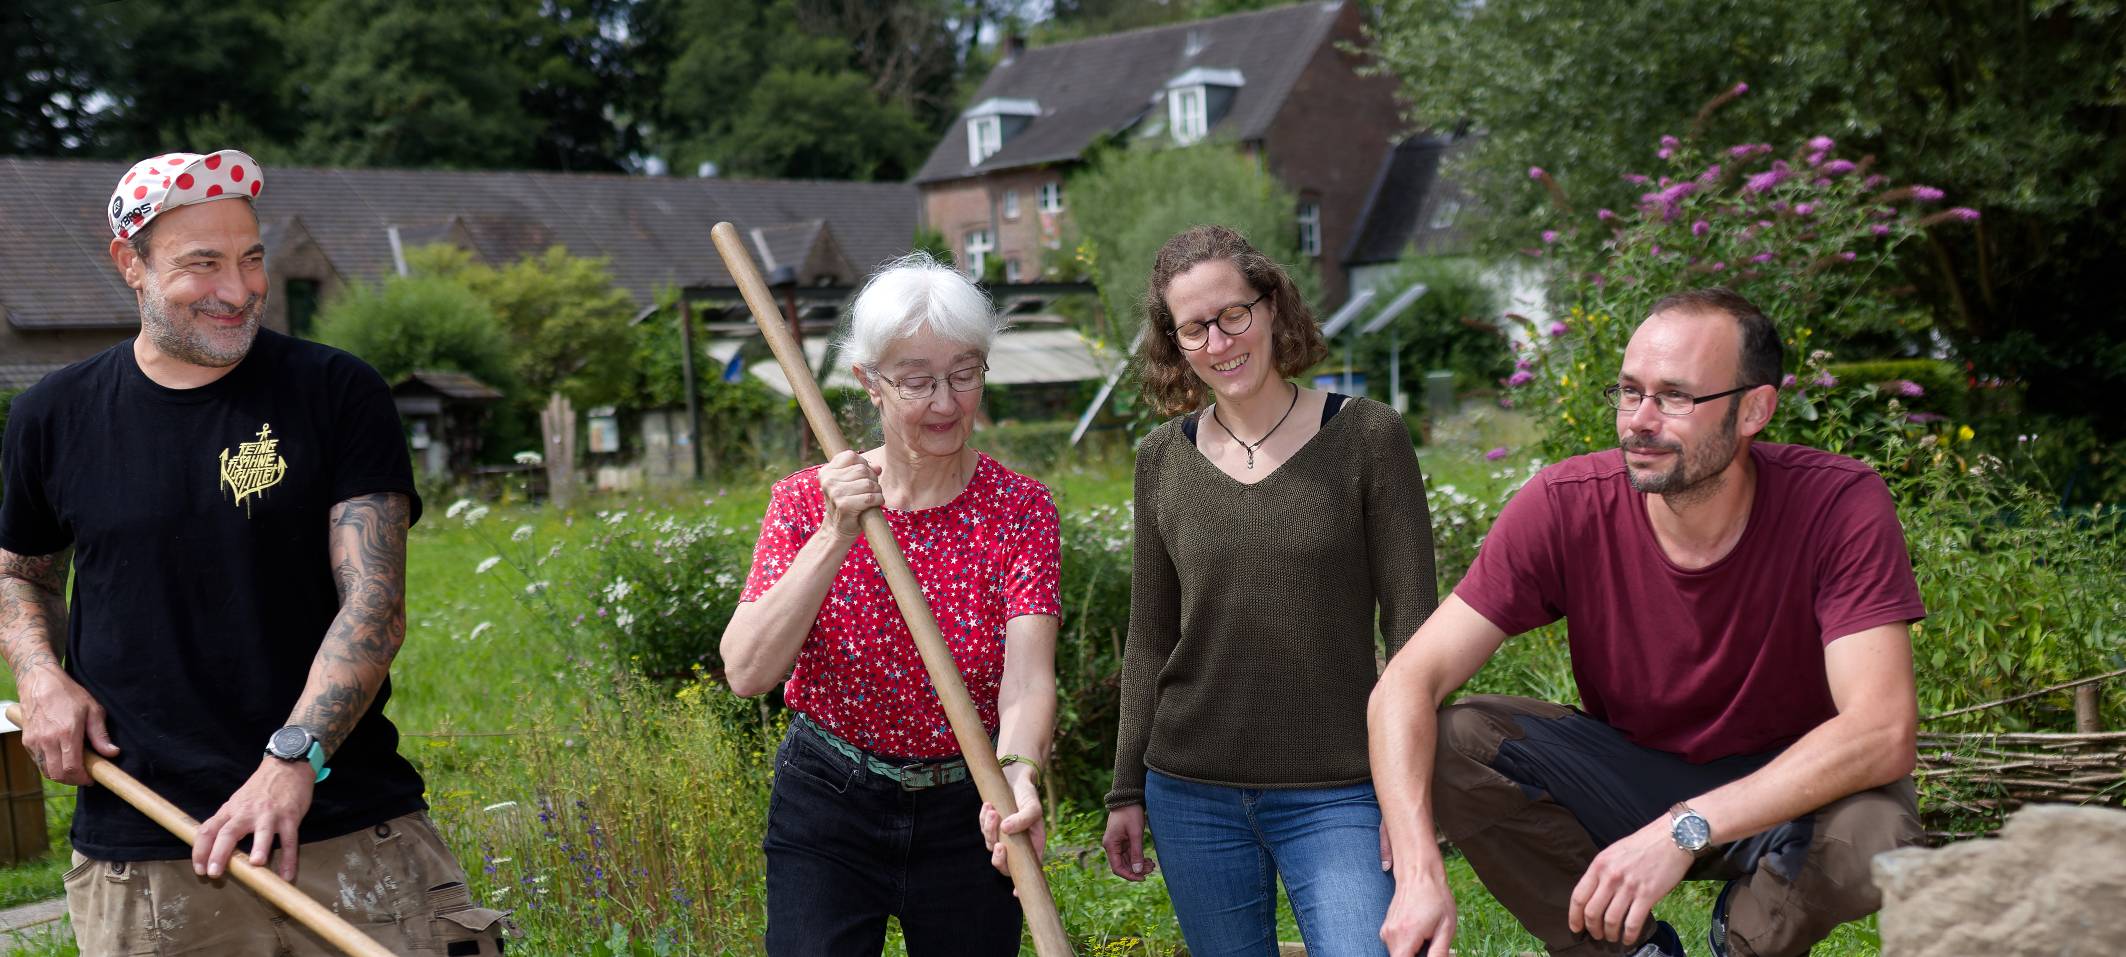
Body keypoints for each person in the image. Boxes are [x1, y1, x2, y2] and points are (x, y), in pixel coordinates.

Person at [0, 150, 511, 954]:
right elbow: (22, 575)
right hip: (153, 863)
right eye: (202, 264)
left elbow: (373, 605)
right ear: (128, 264)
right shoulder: (52, 417)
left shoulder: (337, 391)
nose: (239, 290)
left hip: (350, 834)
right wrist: (38, 674)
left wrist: (295, 759)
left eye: (251, 258)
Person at [1368, 288, 1927, 957]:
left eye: (1675, 397)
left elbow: (1882, 729)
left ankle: (1750, 934)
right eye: (1630, 392)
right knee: (1459, 742)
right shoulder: (1565, 504)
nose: (1640, 419)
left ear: (1755, 408)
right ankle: (1625, 952)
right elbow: (1406, 681)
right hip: (1633, 772)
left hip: (1789, 789)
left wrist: (1683, 828)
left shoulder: (1838, 503)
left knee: (1877, 833)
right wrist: (1418, 866)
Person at [1100, 225, 1438, 957]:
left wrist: (1410, 793)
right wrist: (1126, 790)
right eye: (1195, 327)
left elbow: (1413, 628)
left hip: (1341, 787)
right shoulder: (1162, 459)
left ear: (1272, 306)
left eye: (1234, 314)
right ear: (1175, 342)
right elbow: (1150, 637)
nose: (1221, 342)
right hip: (1191, 790)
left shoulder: (1370, 437)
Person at [720, 254, 1061, 956]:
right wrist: (834, 533)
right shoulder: (806, 501)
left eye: (965, 374)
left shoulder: (1020, 510)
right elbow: (746, 670)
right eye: (918, 380)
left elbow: (1026, 679)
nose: (946, 401)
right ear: (868, 383)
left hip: (969, 804)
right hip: (829, 802)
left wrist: (1019, 772)